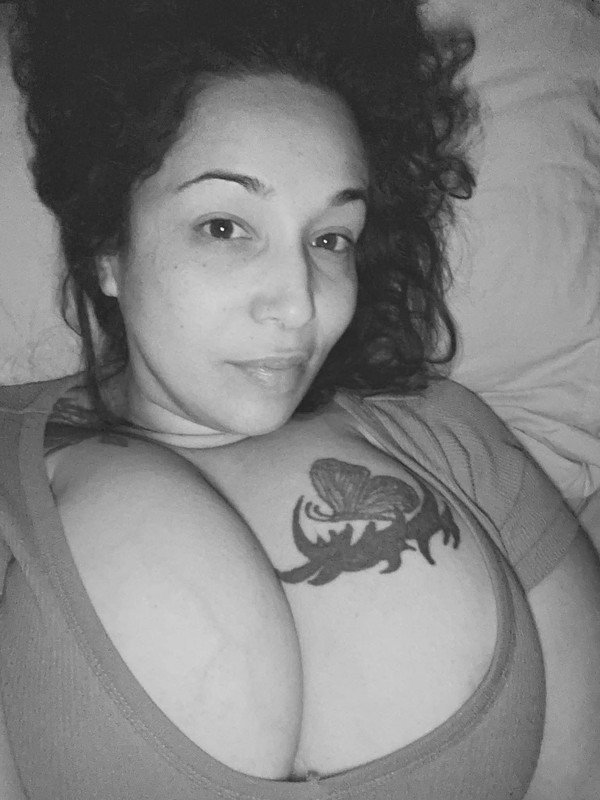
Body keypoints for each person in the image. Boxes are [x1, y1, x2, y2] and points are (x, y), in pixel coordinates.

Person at [1, 1, 599, 797]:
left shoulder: (446, 431)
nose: (299, 302)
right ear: (109, 246)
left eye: (329, 239)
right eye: (225, 227)